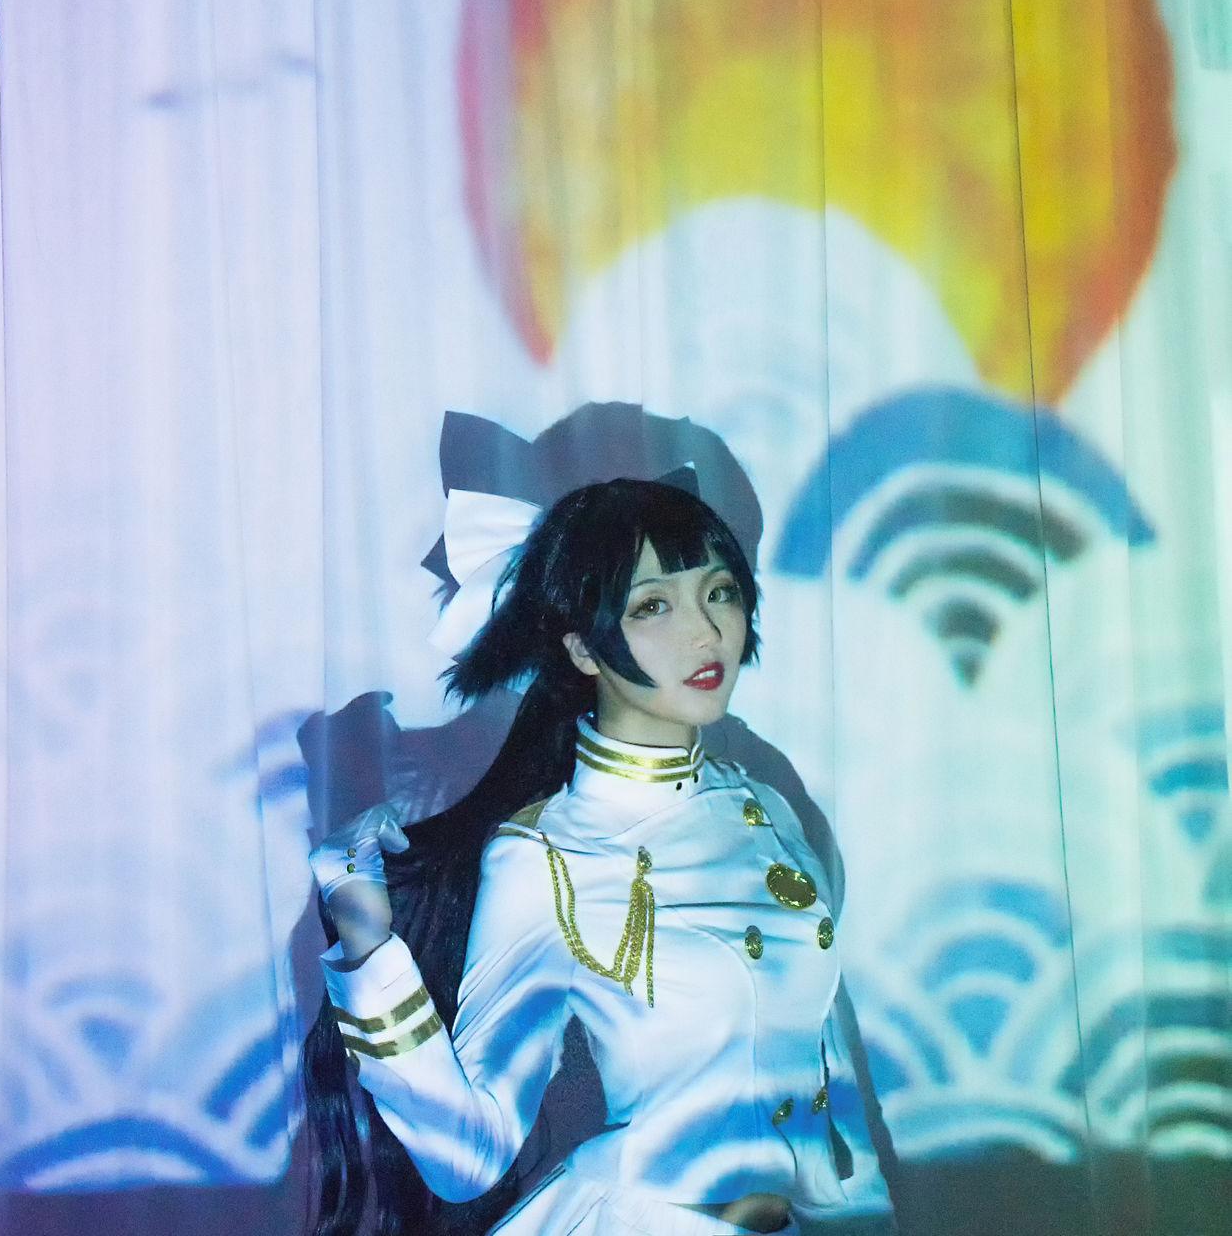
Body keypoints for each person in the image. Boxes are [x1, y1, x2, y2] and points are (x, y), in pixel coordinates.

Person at [301, 478, 895, 1236]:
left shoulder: (768, 809)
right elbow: (468, 1156)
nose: (705, 634)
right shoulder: (547, 857)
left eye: (718, 592)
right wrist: (368, 946)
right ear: (582, 647)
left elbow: (835, 1097)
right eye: (653, 606)